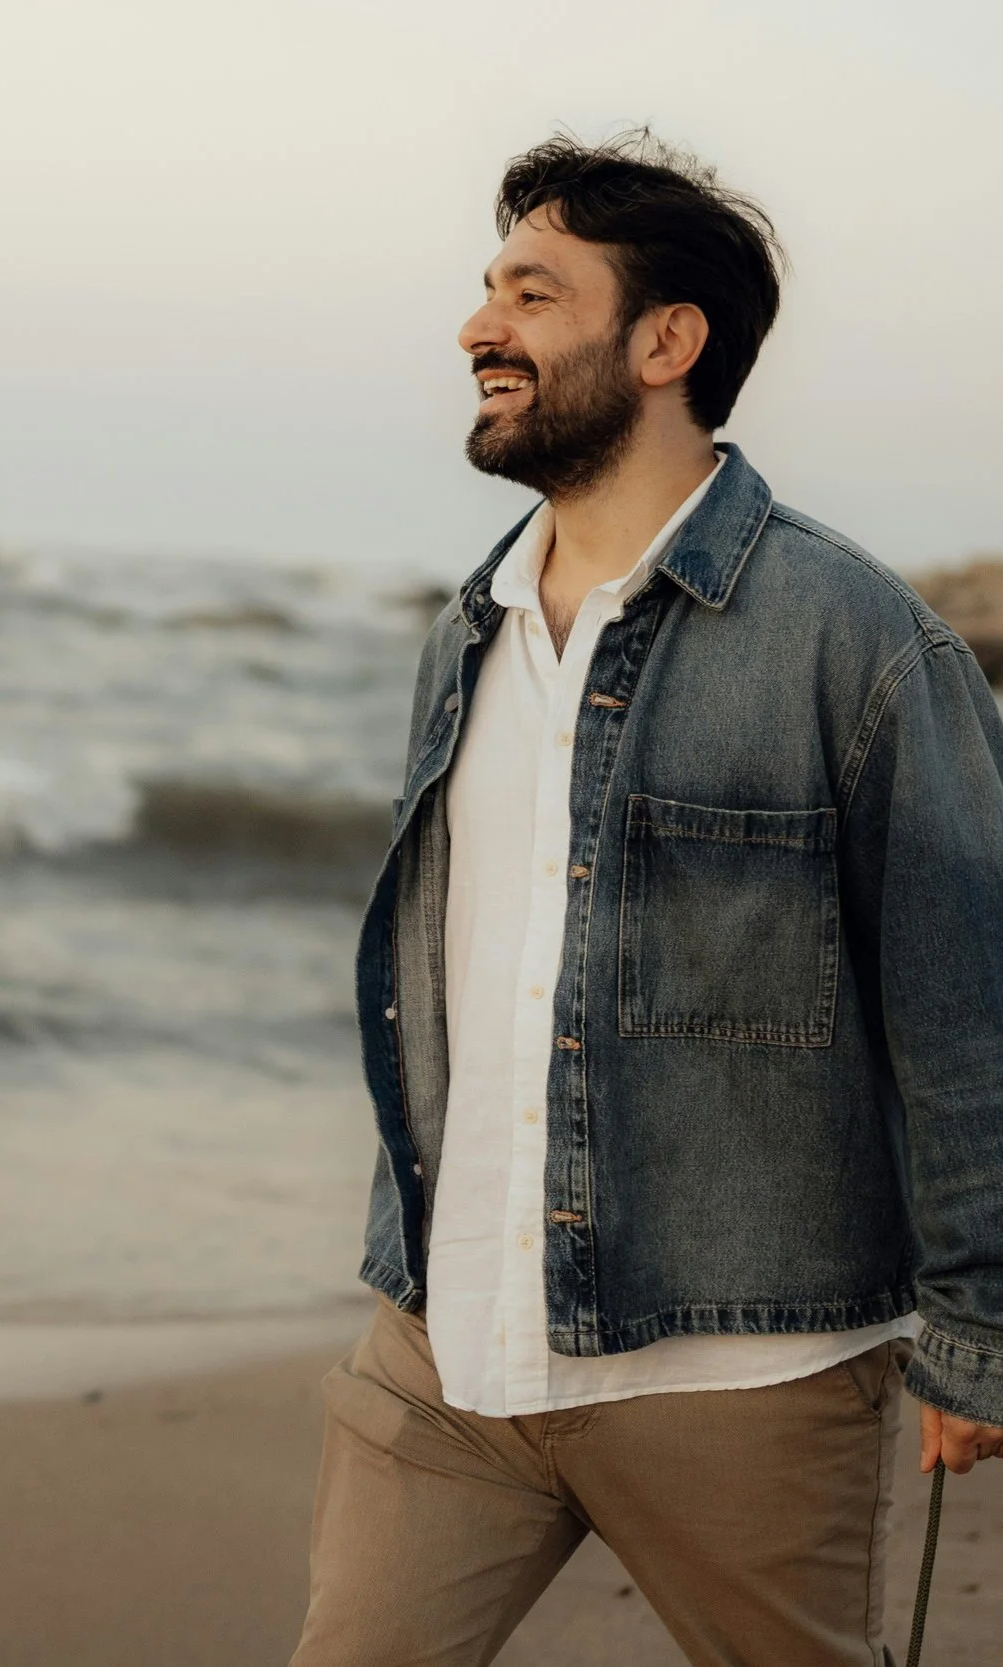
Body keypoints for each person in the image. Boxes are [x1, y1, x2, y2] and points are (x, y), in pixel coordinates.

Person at [294, 133, 1003, 1665]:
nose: (480, 327)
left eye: (533, 294)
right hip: (448, 1347)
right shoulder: (468, 631)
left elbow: (969, 1005)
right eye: (489, 290)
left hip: (738, 1369)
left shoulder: (858, 641)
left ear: (667, 340)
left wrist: (979, 1324)